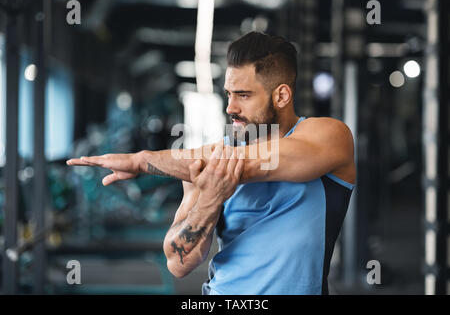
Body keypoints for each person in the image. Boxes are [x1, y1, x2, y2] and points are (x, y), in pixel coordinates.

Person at [67, 31, 356, 295]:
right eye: (229, 94)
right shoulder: (203, 161)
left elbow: (258, 162)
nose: (230, 107)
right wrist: (210, 198)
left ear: (281, 95)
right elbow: (179, 263)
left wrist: (144, 161)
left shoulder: (328, 136)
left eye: (243, 95)